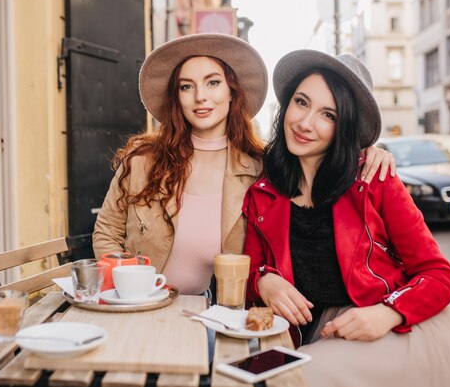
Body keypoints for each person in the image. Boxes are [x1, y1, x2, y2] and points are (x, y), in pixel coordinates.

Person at [242, 50, 450, 387]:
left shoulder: (375, 180)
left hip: (388, 325)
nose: (305, 122)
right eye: (301, 102)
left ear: (346, 127)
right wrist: (264, 280)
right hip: (309, 332)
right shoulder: (263, 192)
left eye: (328, 114)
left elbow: (440, 274)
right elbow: (252, 268)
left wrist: (388, 313)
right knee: (240, 376)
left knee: (292, 379)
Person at [93, 34, 395, 298]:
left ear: (231, 91)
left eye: (213, 82)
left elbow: (319, 156)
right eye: (187, 86)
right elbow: (106, 232)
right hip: (136, 305)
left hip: (213, 311)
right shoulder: (142, 160)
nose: (201, 97)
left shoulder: (263, 168)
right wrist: (131, 290)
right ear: (177, 97)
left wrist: (368, 151)